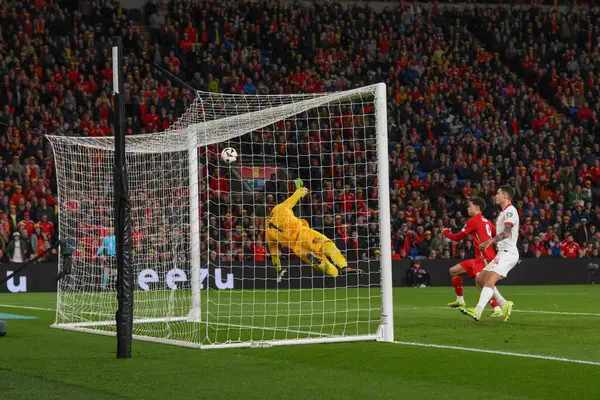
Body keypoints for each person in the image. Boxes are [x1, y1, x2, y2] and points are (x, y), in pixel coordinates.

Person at [266, 179, 361, 282]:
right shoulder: (280, 208)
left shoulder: (268, 232)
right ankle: (344, 266)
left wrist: (279, 270)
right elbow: (298, 194)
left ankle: (318, 262)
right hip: (304, 234)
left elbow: (275, 256)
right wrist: (300, 186)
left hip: (297, 249)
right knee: (327, 244)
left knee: (333, 272)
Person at [459, 186, 519, 322]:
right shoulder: (503, 212)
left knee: (490, 280)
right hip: (503, 254)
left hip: (507, 253)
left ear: (504, 196)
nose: (495, 196)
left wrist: (489, 242)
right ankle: (504, 304)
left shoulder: (510, 211)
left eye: (498, 194)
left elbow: (507, 233)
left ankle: (477, 310)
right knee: (480, 280)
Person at [443, 197, 504, 317]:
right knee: (453, 271)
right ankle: (460, 301)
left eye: (469, 206)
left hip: (484, 258)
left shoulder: (474, 220)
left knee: (482, 283)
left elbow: (456, 237)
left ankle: (498, 307)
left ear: (477, 207)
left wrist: (445, 233)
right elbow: (500, 235)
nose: (467, 208)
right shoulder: (486, 221)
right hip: (479, 258)